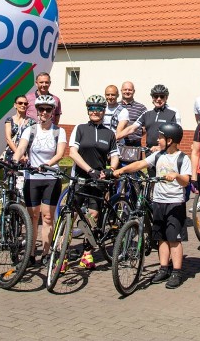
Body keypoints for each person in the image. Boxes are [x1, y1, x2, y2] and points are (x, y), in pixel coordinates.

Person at [114, 122, 192, 289]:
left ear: (170, 140)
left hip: (175, 203)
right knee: (161, 237)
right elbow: (139, 165)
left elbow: (186, 181)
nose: (158, 140)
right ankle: (163, 268)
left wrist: (176, 175)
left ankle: (176, 271)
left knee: (174, 239)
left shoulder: (183, 158)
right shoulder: (158, 156)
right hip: (158, 201)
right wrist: (122, 170)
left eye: (161, 137)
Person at [67, 94, 120, 270]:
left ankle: (86, 253)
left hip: (99, 182)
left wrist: (110, 170)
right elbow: (73, 153)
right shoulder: (80, 128)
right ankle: (62, 252)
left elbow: (114, 156)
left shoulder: (109, 133)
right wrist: (90, 170)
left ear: (104, 111)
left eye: (98, 109)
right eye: (91, 108)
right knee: (71, 215)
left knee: (93, 216)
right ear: (88, 110)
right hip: (81, 178)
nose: (95, 112)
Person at [14, 94, 66, 266]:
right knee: (32, 217)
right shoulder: (30, 130)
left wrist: (47, 164)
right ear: (37, 111)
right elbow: (21, 148)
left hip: (51, 177)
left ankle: (46, 252)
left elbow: (60, 154)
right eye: (41, 109)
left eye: (48, 109)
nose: (44, 112)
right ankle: (30, 253)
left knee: (47, 217)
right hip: (32, 178)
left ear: (52, 112)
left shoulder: (59, 131)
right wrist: (14, 160)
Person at [117, 84, 181, 152]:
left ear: (166, 98)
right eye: (156, 96)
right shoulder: (147, 113)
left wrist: (161, 147)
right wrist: (115, 138)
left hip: (167, 153)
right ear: (152, 97)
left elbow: (178, 134)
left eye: (162, 96)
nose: (158, 99)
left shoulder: (173, 112)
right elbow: (131, 128)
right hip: (150, 151)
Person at [111, 81, 148, 153]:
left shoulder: (141, 108)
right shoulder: (115, 106)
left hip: (135, 144)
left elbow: (145, 128)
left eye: (130, 90)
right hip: (117, 143)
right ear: (121, 91)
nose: (127, 92)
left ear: (134, 91)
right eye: (125, 89)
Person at [4, 94, 36, 161]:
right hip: (11, 154)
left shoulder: (32, 122)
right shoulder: (9, 120)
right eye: (20, 103)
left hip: (26, 156)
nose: (23, 105)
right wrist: (18, 154)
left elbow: (33, 140)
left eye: (25, 103)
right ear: (15, 105)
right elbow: (8, 139)